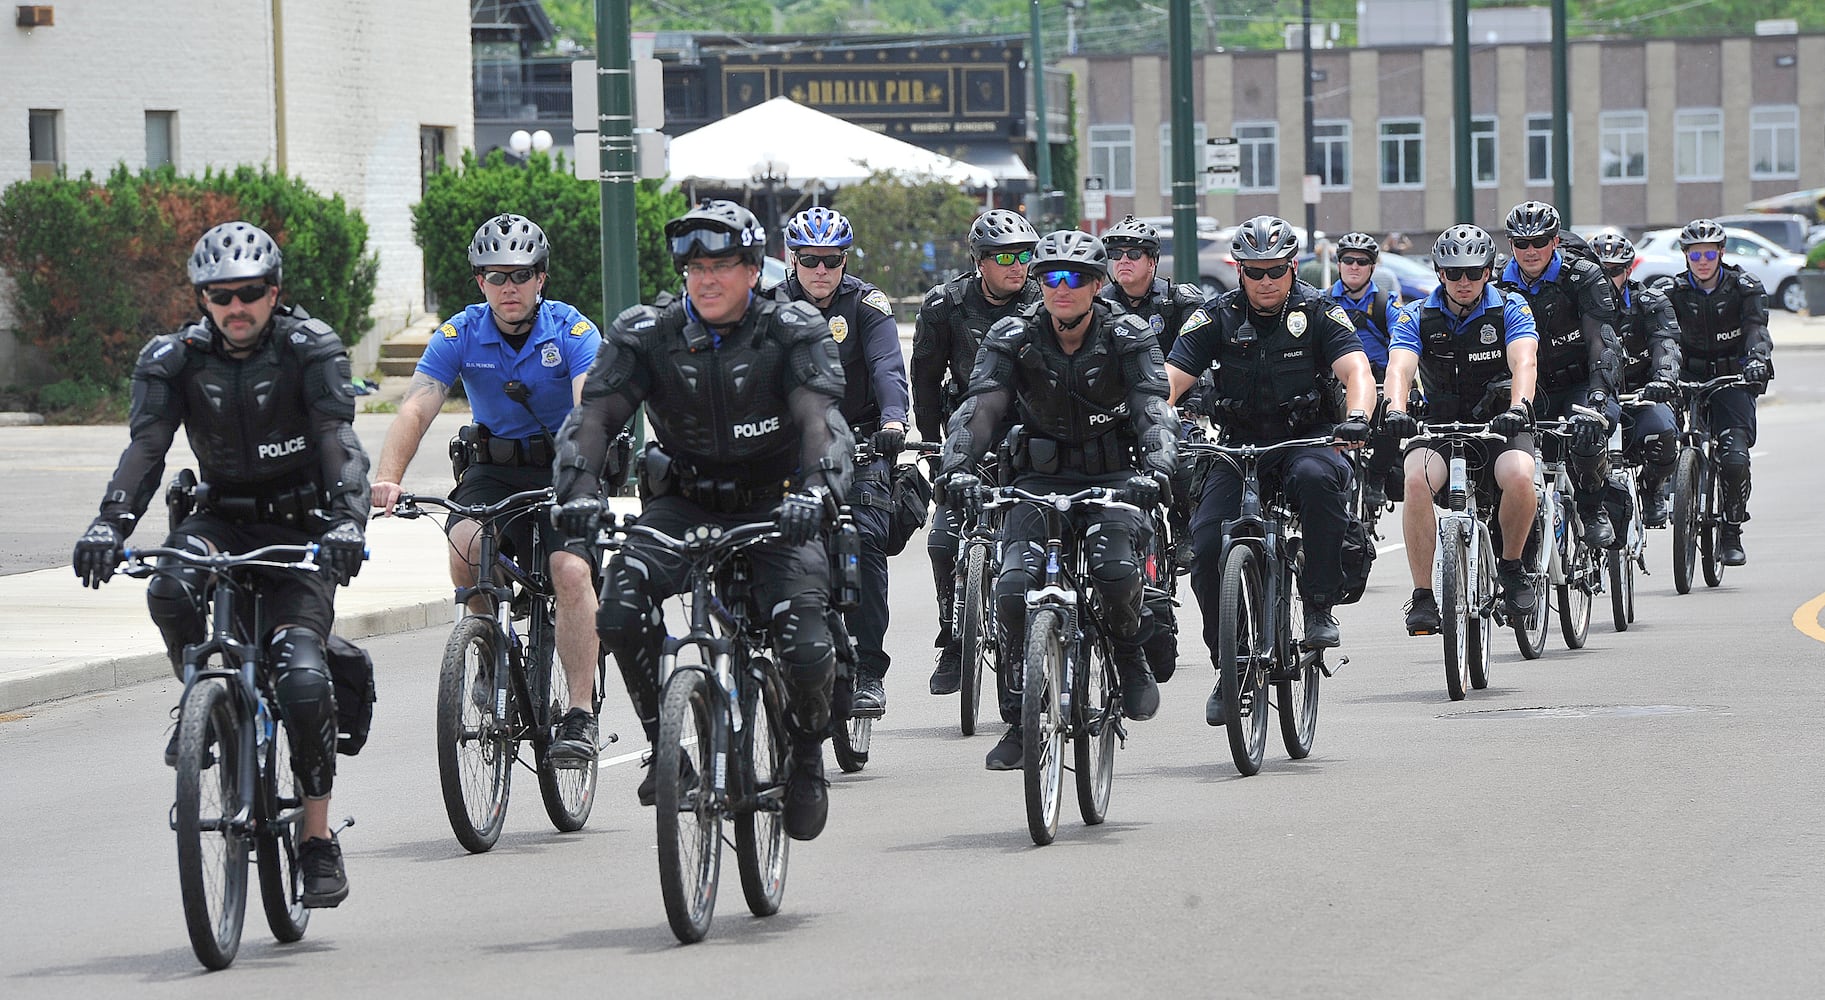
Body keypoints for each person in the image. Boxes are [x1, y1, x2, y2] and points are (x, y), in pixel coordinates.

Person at [72, 220, 370, 907]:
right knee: (170, 589)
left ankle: (318, 842)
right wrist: (106, 522)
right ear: (201, 298)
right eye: (219, 296)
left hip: (302, 531)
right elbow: (146, 452)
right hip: (217, 518)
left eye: (250, 293)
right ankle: (199, 693)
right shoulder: (172, 358)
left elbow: (338, 439)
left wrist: (349, 522)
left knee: (300, 680)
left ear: (275, 291)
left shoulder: (310, 347)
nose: (235, 307)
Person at [549, 200, 851, 841]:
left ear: (753, 269)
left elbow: (823, 424)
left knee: (804, 643)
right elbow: (594, 421)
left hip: (778, 503)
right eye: (694, 267)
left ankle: (803, 757)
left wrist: (819, 489)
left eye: (722, 266)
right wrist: (578, 492)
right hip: (682, 501)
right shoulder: (645, 333)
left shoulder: (792, 329)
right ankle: (668, 748)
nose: (706, 279)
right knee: (619, 606)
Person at [934, 229, 1176, 770]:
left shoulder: (1127, 333)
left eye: (1073, 278)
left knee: (1115, 574)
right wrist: (957, 468)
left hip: (1113, 478)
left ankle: (1130, 653)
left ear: (1095, 284)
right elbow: (981, 409)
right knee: (1015, 589)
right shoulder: (1012, 334)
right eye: (1049, 278)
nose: (1059, 288)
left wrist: (1157, 466)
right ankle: (1023, 715)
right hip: (1035, 482)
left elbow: (1153, 409)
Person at [369, 213, 603, 765]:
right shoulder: (461, 332)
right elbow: (418, 404)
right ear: (480, 282)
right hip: (493, 468)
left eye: (520, 275)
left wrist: (583, 473)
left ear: (540, 278)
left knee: (569, 572)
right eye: (496, 277)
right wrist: (388, 478)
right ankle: (487, 655)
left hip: (564, 467)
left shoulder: (571, 331)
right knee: (465, 542)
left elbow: (590, 408)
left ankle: (578, 715)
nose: (508, 288)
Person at [1164, 216, 1375, 726]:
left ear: (1292, 267)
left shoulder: (1320, 311)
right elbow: (1171, 378)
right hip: (1237, 445)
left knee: (1317, 479)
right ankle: (1229, 667)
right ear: (1239, 270)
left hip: (1308, 438)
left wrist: (1357, 419)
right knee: (1209, 545)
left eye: (1275, 271)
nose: (1265, 282)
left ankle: (1319, 606)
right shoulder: (1215, 315)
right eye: (1254, 272)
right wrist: (1157, 420)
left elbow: (1357, 371)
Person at [770, 206, 909, 716]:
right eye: (810, 260)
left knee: (866, 538)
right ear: (793, 259)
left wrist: (895, 421)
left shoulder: (865, 303)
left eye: (832, 261)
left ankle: (869, 669)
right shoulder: (770, 306)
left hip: (863, 443)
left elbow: (887, 365)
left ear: (845, 260)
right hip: (787, 448)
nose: (821, 271)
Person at [1382, 225, 1540, 635]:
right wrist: (1396, 408)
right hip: (1439, 423)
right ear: (1439, 273)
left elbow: (1525, 361)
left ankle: (1511, 567)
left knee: (1521, 476)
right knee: (1414, 479)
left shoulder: (1510, 308)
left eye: (1473, 272)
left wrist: (1520, 407)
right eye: (1454, 273)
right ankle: (1422, 597)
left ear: (1488, 271)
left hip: (1500, 422)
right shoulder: (1416, 314)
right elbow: (1399, 366)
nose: (1464, 281)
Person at [911, 209, 1042, 697]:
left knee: (1021, 553)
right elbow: (924, 380)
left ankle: (1021, 653)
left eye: (1025, 255)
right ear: (979, 261)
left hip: (1031, 440)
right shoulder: (945, 305)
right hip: (968, 437)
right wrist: (930, 445)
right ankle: (952, 635)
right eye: (1004, 257)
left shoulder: (1042, 301)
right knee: (943, 541)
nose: (1017, 266)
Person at [1096, 213, 1204, 677]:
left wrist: (1196, 402)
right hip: (1118, 417)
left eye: (1133, 254)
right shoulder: (1098, 304)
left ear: (1153, 261)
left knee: (1179, 458)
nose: (1122, 261)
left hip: (1173, 409)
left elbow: (1205, 357)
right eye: (1115, 254)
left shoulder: (1181, 302)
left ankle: (1182, 530)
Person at [1495, 200, 1623, 548]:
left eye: (1540, 241)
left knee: (1587, 436)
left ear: (1555, 242)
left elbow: (1602, 341)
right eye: (1522, 243)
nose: (1531, 250)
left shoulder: (1583, 276)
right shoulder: (1495, 282)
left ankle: (1593, 508)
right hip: (1527, 388)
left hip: (1581, 382)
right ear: (1511, 245)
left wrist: (1598, 398)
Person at [1650, 218, 1774, 565]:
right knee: (1659, 434)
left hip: (1732, 376)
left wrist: (1757, 361)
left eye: (1708, 253)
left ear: (1720, 253)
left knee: (1734, 459)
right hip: (1685, 375)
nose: (1702, 261)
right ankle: (1661, 492)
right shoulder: (1670, 292)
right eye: (1694, 254)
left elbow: (1756, 330)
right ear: (1685, 255)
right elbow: (1660, 336)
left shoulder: (1744, 287)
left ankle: (1732, 530)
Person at [1588, 230, 1682, 528]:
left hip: (1643, 394)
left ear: (1628, 270)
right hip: (1598, 398)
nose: (1605, 277)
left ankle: (1653, 490)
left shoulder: (1650, 302)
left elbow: (1666, 343)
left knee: (1663, 432)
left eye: (1613, 271)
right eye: (1599, 270)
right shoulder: (1579, 306)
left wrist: (1663, 378)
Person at [1329, 230, 1405, 513]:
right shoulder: (1325, 301)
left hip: (1379, 378)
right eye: (1348, 260)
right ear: (1338, 264)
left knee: (1390, 417)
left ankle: (1376, 480)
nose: (1354, 267)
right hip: (1336, 380)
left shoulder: (1386, 303)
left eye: (1362, 262)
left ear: (1373, 267)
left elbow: (1402, 342)